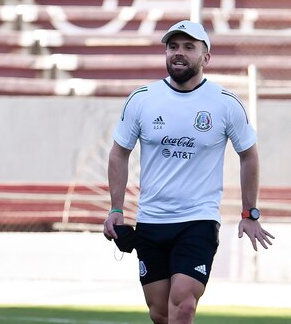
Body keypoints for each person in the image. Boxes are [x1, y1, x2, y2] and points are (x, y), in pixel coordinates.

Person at [103, 19, 275, 324]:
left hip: (198, 220)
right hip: (151, 220)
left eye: (188, 46)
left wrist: (250, 212)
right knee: (159, 313)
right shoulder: (142, 99)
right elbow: (119, 153)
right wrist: (116, 208)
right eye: (173, 46)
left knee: (183, 305)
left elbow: (249, 155)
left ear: (205, 57)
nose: (178, 53)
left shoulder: (225, 104)